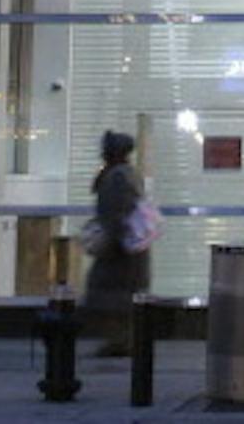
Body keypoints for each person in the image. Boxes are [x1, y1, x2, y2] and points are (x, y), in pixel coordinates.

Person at [83, 131, 148, 357]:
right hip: (126, 248)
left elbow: (117, 214)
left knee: (111, 296)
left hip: (120, 250)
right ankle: (120, 340)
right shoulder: (127, 174)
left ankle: (120, 341)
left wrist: (109, 240)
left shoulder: (117, 176)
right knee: (119, 297)